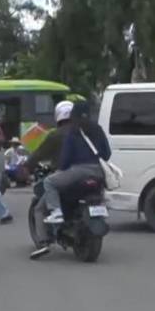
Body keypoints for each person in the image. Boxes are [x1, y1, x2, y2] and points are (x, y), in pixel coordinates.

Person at [34, 101, 110, 255]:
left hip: (77, 172)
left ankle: (56, 212)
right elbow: (106, 153)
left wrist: (61, 169)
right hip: (98, 172)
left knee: (49, 182)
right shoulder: (98, 129)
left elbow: (66, 159)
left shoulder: (73, 131)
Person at [24, 100, 74, 258]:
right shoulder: (83, 132)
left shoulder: (56, 135)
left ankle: (44, 241)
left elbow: (39, 154)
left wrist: (26, 166)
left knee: (39, 208)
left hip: (63, 176)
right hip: (89, 175)